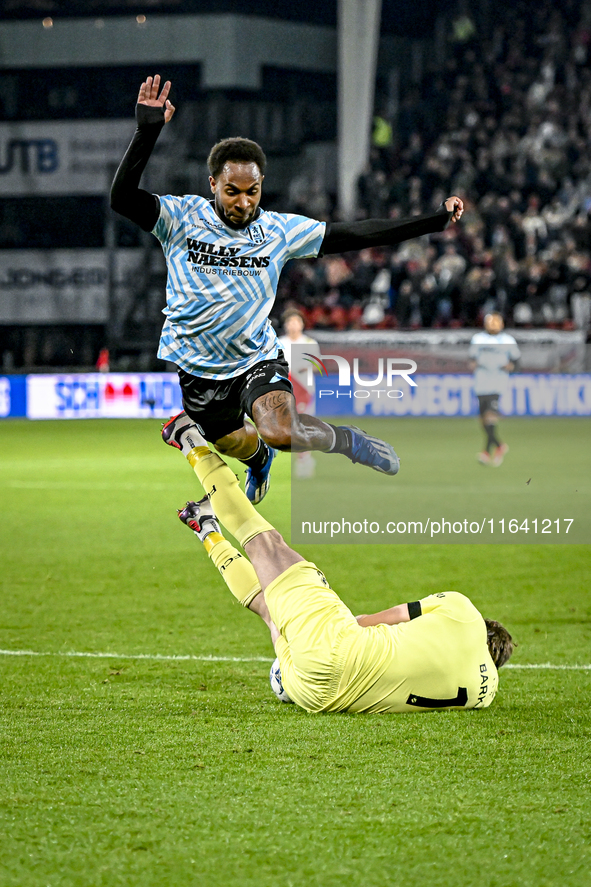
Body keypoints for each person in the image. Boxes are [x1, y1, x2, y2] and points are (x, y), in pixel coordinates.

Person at [111, 74, 464, 503]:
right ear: (212, 186)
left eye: (253, 192)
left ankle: (347, 441)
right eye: (232, 192)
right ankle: (258, 461)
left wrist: (434, 220)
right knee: (234, 445)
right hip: (198, 369)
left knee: (280, 431)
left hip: (256, 358)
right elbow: (123, 198)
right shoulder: (180, 218)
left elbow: (356, 235)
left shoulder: (279, 229)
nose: (244, 202)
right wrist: (146, 134)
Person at [164, 414, 514, 714]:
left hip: (334, 650)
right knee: (274, 610)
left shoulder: (465, 614)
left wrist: (338, 615)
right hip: (313, 695)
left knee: (264, 541)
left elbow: (375, 620)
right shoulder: (485, 694)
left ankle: (186, 436)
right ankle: (205, 527)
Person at [468, 313, 521, 466]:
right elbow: (472, 358)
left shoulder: (508, 341)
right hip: (481, 381)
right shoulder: (478, 339)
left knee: (490, 415)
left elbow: (517, 361)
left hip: (497, 381)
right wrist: (473, 363)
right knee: (483, 419)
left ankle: (491, 449)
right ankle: (496, 447)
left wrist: (512, 367)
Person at [277, 309, 320, 479]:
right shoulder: (280, 343)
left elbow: (317, 366)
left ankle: (304, 460)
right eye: (290, 321)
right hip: (285, 390)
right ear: (286, 325)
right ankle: (302, 458)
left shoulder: (310, 343)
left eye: (296, 321)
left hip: (304, 390)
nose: (293, 325)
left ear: (302, 324)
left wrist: (306, 367)